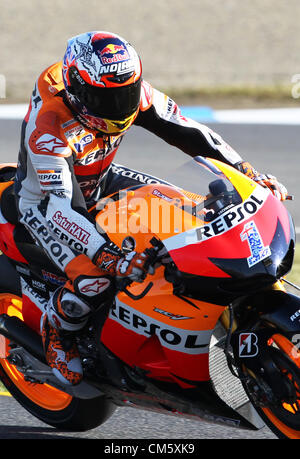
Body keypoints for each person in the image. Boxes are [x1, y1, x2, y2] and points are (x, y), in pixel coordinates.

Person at [14, 31, 288, 386]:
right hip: (46, 204)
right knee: (97, 278)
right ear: (78, 91)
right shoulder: (49, 127)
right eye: (107, 99)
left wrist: (247, 174)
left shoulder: (126, 88)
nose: (122, 106)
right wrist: (108, 255)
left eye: (126, 94)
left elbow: (192, 133)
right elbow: (60, 208)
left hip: (100, 179)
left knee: (187, 209)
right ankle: (57, 331)